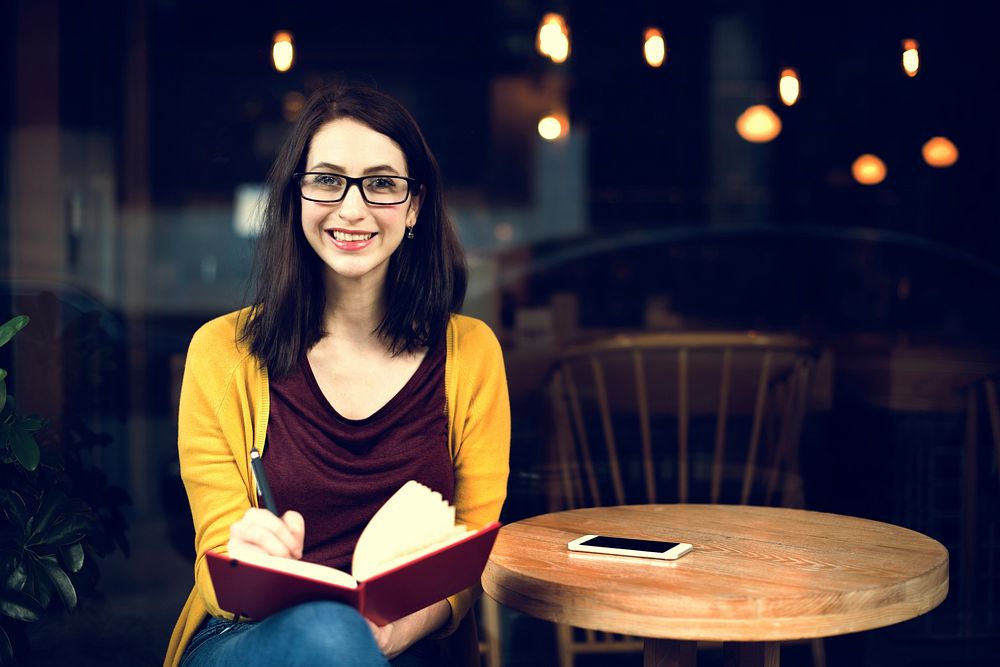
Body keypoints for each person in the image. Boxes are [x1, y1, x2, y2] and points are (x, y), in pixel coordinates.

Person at [164, 83, 510, 667]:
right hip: (253, 637)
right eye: (327, 180)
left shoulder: (471, 353)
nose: (352, 209)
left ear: (415, 206)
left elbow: (473, 550)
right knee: (327, 634)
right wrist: (243, 558)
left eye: (381, 182)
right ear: (296, 196)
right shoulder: (222, 352)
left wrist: (401, 629)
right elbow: (215, 561)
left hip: (414, 639)